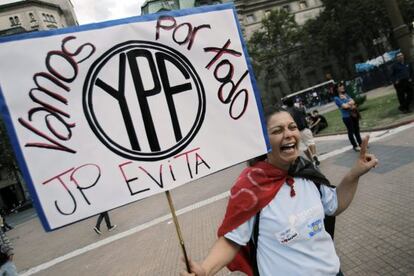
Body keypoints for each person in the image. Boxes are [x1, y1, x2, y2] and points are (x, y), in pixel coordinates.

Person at [180, 107, 378, 276]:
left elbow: (334, 205)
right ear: (263, 141)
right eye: (278, 130)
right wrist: (205, 269)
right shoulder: (250, 187)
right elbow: (232, 240)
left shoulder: (306, 170)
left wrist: (354, 174)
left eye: (292, 127)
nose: (289, 134)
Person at [284, 97, 320, 166]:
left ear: (286, 104)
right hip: (304, 128)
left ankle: (312, 161)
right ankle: (314, 155)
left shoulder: (286, 112)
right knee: (310, 142)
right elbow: (305, 115)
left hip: (295, 131)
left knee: (303, 147)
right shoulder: (300, 108)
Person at [334, 81, 362, 152]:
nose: (342, 87)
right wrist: (348, 103)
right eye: (340, 86)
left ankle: (361, 143)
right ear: (337, 89)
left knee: (357, 130)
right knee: (351, 131)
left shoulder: (346, 94)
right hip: (346, 117)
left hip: (353, 115)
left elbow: (353, 102)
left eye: (342, 86)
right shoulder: (336, 98)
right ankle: (355, 146)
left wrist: (347, 103)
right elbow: (344, 106)